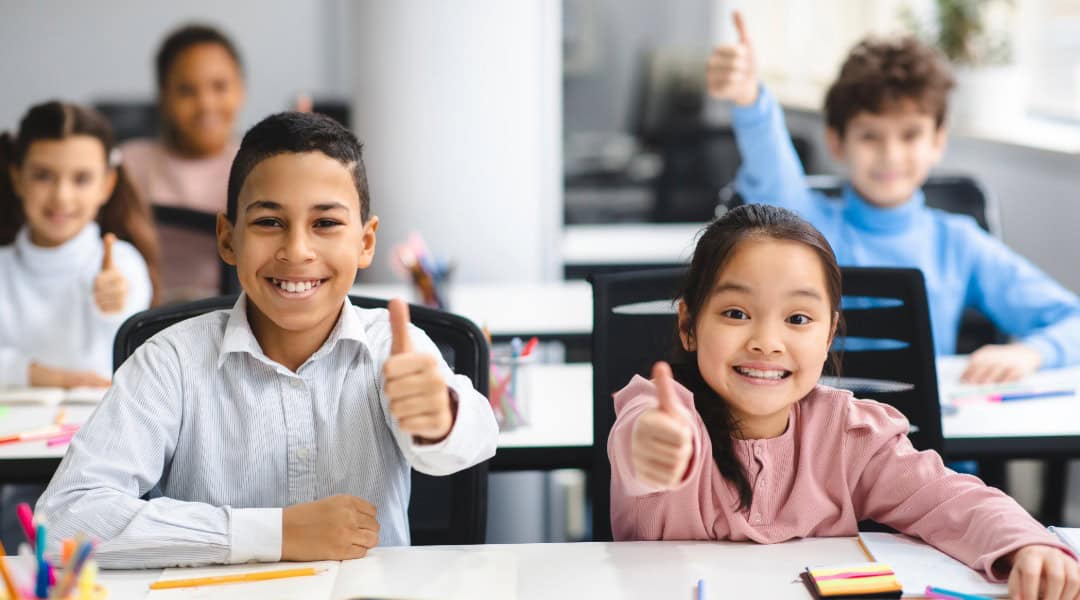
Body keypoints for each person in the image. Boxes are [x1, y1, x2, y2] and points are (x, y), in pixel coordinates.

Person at [38, 111, 499, 568]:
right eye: (269, 222)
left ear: (365, 241)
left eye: (325, 224)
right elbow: (62, 522)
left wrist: (439, 418)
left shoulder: (392, 348)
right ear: (227, 238)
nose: (297, 250)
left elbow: (471, 437)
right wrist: (275, 533)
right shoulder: (170, 361)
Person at [608, 204, 1079, 599]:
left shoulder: (851, 432)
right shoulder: (657, 412)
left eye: (797, 318)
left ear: (830, 332)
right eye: (736, 313)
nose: (767, 342)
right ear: (689, 325)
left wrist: (1027, 545)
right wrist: (655, 451)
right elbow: (642, 440)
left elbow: (949, 499)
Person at [707, 12, 1080, 383]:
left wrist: (1032, 352)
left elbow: (1071, 320)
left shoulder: (958, 243)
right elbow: (771, 169)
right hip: (814, 428)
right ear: (837, 142)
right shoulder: (803, 225)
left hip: (914, 435)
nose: (891, 155)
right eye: (870, 136)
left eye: (910, 135)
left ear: (938, 141)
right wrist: (750, 98)